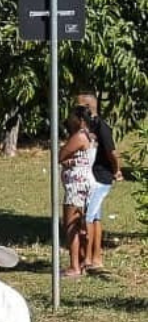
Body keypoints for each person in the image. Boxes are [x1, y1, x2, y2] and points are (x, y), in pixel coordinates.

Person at [76, 91, 121, 272]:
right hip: (93, 176)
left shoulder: (101, 127)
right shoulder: (89, 126)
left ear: (87, 107)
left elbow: (112, 152)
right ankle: (95, 256)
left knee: (89, 217)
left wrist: (116, 170)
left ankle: (90, 258)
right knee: (95, 217)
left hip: (100, 177)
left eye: (78, 106)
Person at [58, 105, 95, 278]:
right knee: (80, 225)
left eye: (72, 117)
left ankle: (74, 266)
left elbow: (61, 154)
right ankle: (82, 260)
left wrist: (66, 159)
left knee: (71, 225)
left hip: (77, 186)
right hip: (84, 183)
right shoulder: (90, 135)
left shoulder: (79, 136)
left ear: (80, 120)